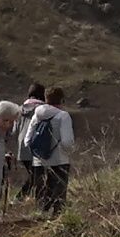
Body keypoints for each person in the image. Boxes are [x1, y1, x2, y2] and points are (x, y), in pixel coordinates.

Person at [26, 87, 76, 216]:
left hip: (38, 161)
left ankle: (40, 216)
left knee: (41, 193)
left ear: (45, 98)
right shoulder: (63, 116)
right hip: (59, 160)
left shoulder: (36, 115)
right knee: (58, 195)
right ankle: (56, 217)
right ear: (62, 99)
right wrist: (68, 152)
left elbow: (27, 140)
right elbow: (67, 142)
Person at [14, 81, 46, 201]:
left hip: (22, 146)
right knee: (38, 175)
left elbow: (14, 130)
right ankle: (22, 199)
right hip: (36, 145)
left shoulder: (20, 109)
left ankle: (26, 199)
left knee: (34, 175)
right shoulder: (42, 109)